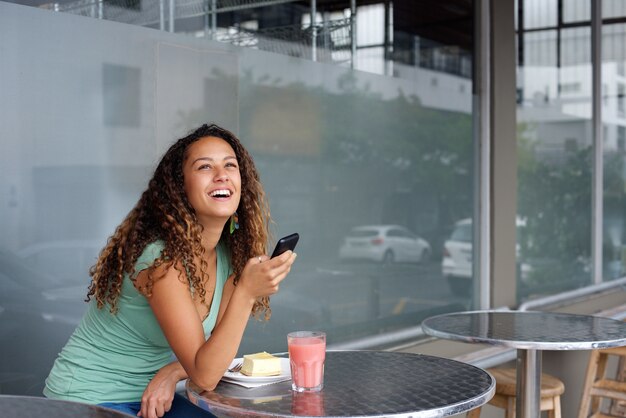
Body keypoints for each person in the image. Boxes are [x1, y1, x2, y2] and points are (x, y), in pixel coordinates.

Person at [43, 124, 297, 418]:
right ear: (180, 187)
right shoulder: (159, 261)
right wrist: (247, 293)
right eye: (205, 166)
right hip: (88, 397)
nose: (222, 175)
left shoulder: (230, 257)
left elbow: (212, 356)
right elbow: (205, 376)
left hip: (153, 399)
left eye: (230, 165)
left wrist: (172, 372)